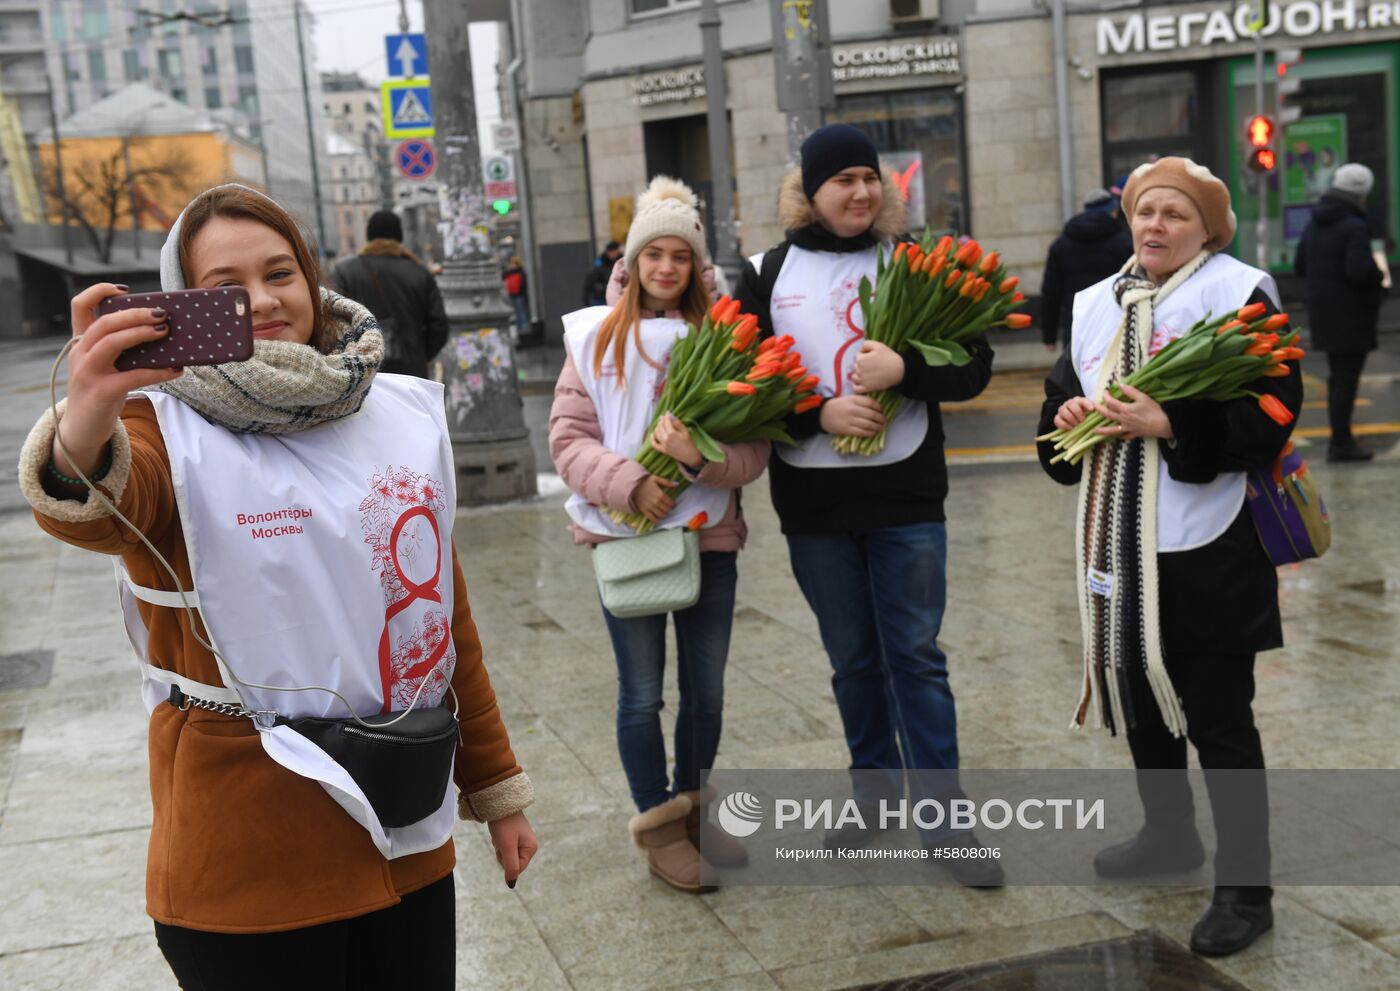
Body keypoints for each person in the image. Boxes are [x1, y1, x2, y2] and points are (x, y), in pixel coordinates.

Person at [17, 184, 537, 988]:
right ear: (183, 300)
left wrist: (496, 789)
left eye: (280, 272)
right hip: (249, 862)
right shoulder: (158, 425)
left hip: (402, 828)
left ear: (312, 278)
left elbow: (442, 618)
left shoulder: (387, 412)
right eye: (224, 288)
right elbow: (103, 509)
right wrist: (90, 411)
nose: (260, 301)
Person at [1036, 158, 1303, 957]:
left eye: (1175, 215)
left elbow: (1274, 416)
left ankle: (1247, 889)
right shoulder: (1095, 302)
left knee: (1219, 715)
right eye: (1145, 211)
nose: (1155, 226)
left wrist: (1171, 423)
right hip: (1117, 537)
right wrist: (1071, 417)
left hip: (1209, 538)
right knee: (1139, 692)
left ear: (1208, 229)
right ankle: (1168, 832)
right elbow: (1055, 416)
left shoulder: (1239, 290)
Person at [733, 123, 1000, 886]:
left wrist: (908, 367)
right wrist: (818, 414)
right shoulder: (767, 272)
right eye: (842, 180)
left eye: (870, 178)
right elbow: (741, 390)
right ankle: (874, 792)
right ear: (810, 192)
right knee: (853, 659)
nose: (860, 192)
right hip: (815, 497)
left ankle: (946, 822)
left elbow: (976, 366)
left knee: (915, 654)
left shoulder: (916, 263)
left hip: (907, 491)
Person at [549, 176, 768, 893]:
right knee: (641, 693)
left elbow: (754, 451)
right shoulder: (593, 338)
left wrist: (694, 457)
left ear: (696, 266)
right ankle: (658, 822)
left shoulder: (722, 339)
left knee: (706, 692)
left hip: (708, 537)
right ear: (633, 262)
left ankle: (697, 810)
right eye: (654, 255)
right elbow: (568, 439)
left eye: (680, 256)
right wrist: (632, 484)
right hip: (626, 538)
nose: (667, 268)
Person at [1294, 162, 1387, 462]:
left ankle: (1341, 438)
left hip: (1323, 312)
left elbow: (1299, 266)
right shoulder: (1355, 226)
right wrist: (1379, 279)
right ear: (1362, 193)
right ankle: (1341, 442)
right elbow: (1359, 271)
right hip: (1352, 315)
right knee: (1347, 378)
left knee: (1338, 377)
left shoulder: (1315, 222)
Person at [331, 209, 450, 378]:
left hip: (363, 372)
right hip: (412, 371)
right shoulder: (419, 272)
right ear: (399, 236)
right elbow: (439, 326)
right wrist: (420, 353)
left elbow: (336, 322)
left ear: (369, 236)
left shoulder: (347, 271)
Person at [1040, 188, 1134, 352]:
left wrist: (1049, 335)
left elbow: (1051, 295)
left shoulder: (1060, 246)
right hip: (1115, 324)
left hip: (1076, 324)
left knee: (1076, 373)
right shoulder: (1125, 243)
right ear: (1112, 211)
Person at [582, 240, 622, 306]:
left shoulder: (622, 263)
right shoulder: (599, 265)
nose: (614, 253)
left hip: (619, 300)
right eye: (611, 251)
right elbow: (589, 284)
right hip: (601, 300)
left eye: (615, 250)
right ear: (607, 252)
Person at [502, 254, 530, 339]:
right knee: (516, 312)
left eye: (514, 263)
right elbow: (503, 276)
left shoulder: (521, 271)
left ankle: (524, 327)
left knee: (521, 311)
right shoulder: (510, 272)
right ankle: (519, 327)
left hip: (519, 295)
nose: (512, 265)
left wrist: (521, 292)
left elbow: (523, 284)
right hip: (512, 294)